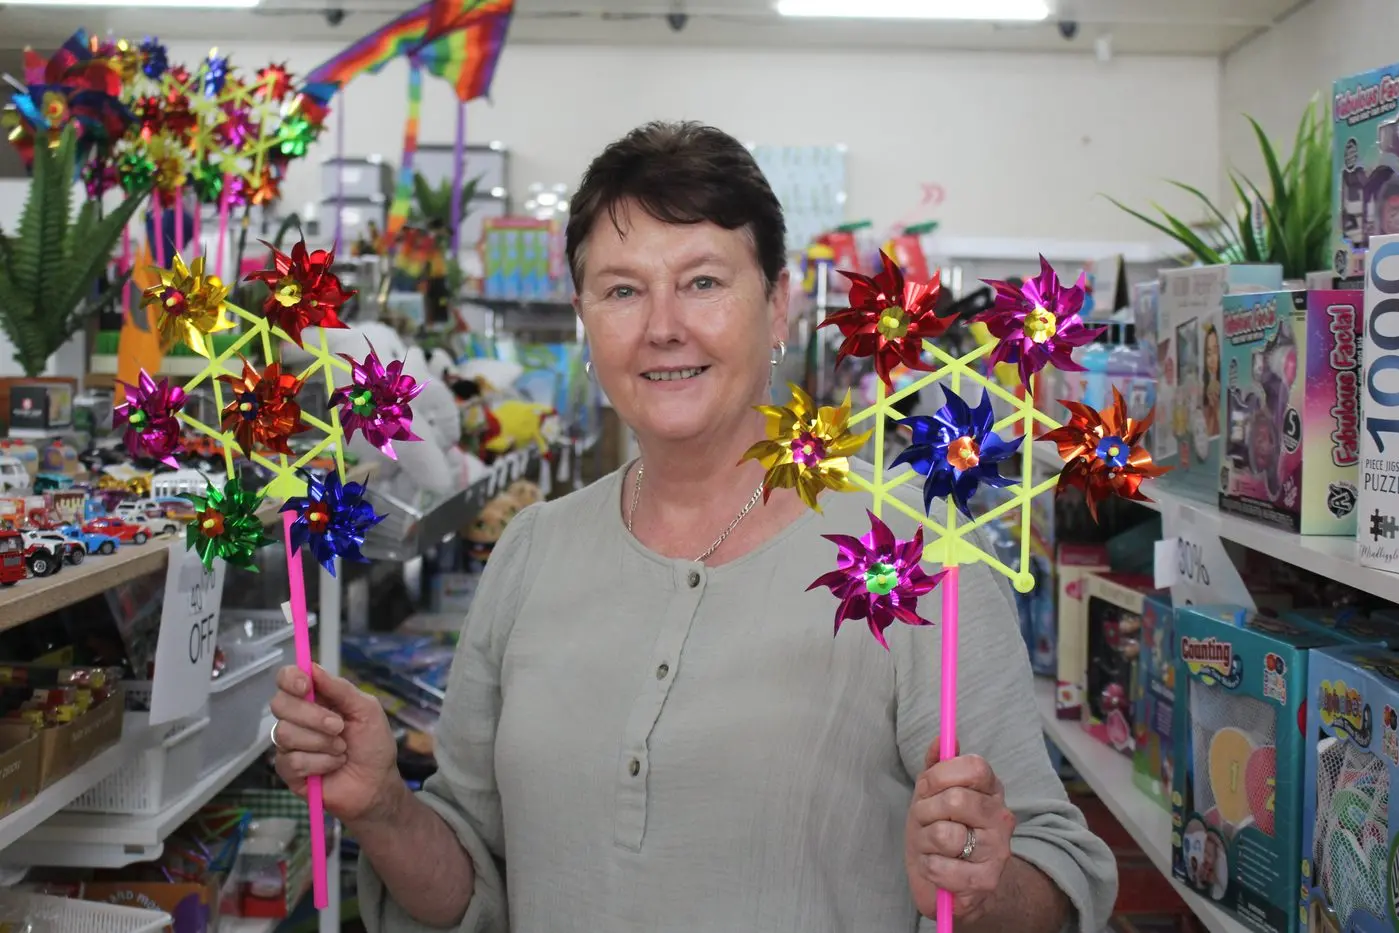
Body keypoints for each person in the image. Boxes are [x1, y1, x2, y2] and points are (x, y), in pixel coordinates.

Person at [268, 121, 1118, 933]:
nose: (663, 325)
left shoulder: (917, 561)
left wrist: (978, 887)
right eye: (622, 289)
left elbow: (1054, 878)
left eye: (704, 281)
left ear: (778, 305)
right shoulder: (531, 553)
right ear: (584, 315)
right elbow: (474, 883)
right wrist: (382, 805)